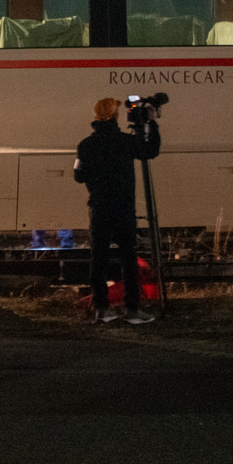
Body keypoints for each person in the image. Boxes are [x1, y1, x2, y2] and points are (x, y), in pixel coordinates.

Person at [75, 97, 161, 325]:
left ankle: (101, 309)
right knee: (128, 258)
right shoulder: (125, 141)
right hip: (123, 207)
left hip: (99, 208)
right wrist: (151, 123)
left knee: (99, 259)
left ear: (95, 117)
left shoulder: (85, 145)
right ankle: (132, 310)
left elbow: (78, 175)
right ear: (115, 116)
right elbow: (151, 150)